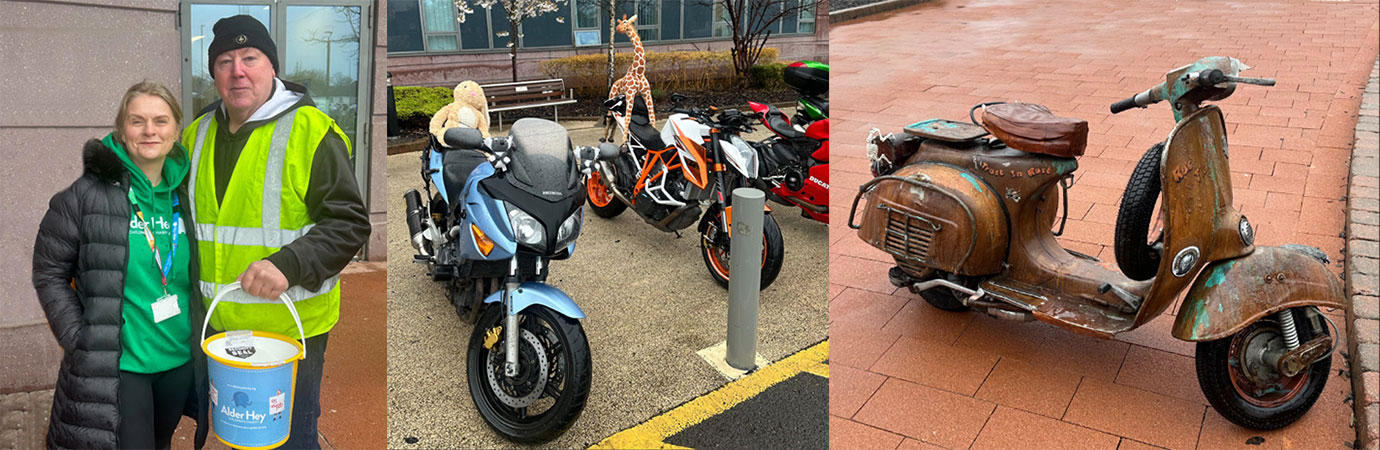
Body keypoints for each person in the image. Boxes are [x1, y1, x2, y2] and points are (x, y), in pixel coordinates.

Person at [182, 15, 370, 450]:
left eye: (250, 58)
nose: (238, 71)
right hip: (219, 327)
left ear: (271, 67)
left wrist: (288, 264)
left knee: (289, 439)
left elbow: (349, 223)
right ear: (213, 74)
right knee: (237, 431)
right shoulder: (196, 135)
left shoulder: (311, 131)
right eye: (225, 61)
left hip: (288, 332)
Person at [33, 81, 209, 449]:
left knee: (161, 442)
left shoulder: (188, 195)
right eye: (137, 121)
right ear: (121, 131)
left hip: (177, 358)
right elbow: (49, 271)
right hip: (122, 364)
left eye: (161, 121)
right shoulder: (85, 197)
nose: (149, 131)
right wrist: (77, 338)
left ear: (177, 131)